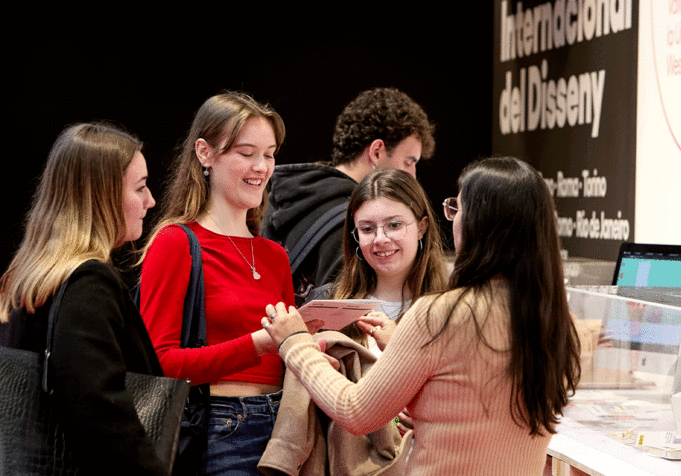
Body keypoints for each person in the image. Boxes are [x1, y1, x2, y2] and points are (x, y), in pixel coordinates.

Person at [264, 156, 582, 475]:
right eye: (367, 228)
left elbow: (355, 411)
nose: (381, 238)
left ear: (479, 223)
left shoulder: (440, 314)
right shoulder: (553, 322)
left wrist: (296, 344)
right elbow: (474, 414)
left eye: (459, 208)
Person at [138, 92, 322, 476]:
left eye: (269, 154)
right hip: (219, 428)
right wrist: (260, 343)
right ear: (205, 153)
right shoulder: (176, 242)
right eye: (246, 152)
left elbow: (288, 359)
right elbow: (159, 363)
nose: (261, 167)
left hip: (287, 431)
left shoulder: (274, 254)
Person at [0, 123, 166, 475]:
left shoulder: (31, 276)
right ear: (101, 196)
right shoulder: (89, 281)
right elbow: (98, 409)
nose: (150, 201)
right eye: (140, 188)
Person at [260, 87, 435, 304]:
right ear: (377, 151)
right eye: (409, 162)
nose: (413, 176)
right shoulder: (350, 219)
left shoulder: (283, 197)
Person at [321, 168, 448, 355]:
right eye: (367, 229)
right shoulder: (328, 304)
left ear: (422, 227)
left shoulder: (452, 309)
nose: (380, 239)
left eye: (394, 225)